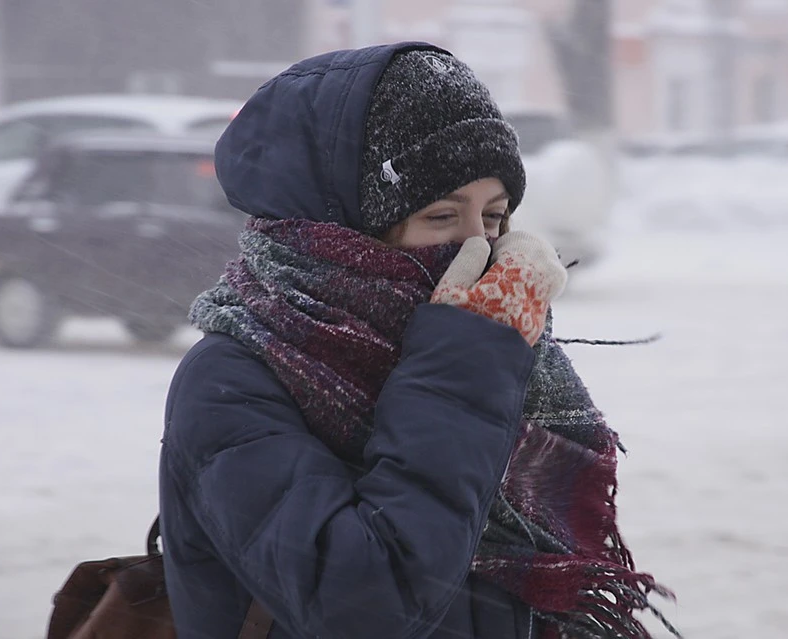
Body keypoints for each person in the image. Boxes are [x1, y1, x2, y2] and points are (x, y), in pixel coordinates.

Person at [159, 42, 676, 639]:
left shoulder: (495, 356)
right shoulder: (233, 381)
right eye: (440, 217)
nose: (477, 250)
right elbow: (366, 605)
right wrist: (468, 358)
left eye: (493, 217)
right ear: (338, 228)